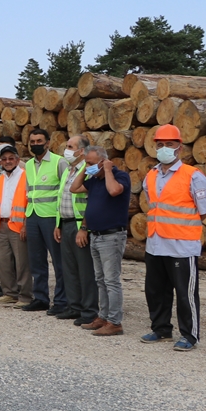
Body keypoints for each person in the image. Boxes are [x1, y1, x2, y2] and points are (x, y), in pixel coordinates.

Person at [139, 125, 206, 351]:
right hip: (156, 243)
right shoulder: (150, 175)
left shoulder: (193, 176)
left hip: (182, 246)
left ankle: (189, 336)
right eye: (160, 145)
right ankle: (160, 329)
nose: (164, 149)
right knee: (155, 291)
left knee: (185, 293)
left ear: (179, 148)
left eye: (169, 145)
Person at [70, 144, 131, 337]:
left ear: (103, 161)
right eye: (86, 163)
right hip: (96, 235)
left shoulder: (120, 176)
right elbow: (74, 188)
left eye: (91, 163)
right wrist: (84, 169)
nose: (88, 166)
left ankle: (115, 322)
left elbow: (114, 191)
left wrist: (107, 170)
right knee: (100, 279)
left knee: (111, 280)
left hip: (112, 236)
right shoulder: (93, 180)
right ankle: (103, 317)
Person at [21, 128, 69, 314]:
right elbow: (29, 193)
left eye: (39, 141)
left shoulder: (59, 162)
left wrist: (60, 222)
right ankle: (40, 298)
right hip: (33, 216)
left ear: (48, 143)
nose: (35, 145)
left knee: (58, 261)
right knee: (37, 261)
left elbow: (65, 192)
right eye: (32, 142)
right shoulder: (29, 165)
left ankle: (61, 301)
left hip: (51, 217)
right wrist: (26, 219)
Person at [54, 135, 97, 324]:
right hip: (66, 223)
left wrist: (84, 228)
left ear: (82, 151)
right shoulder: (68, 170)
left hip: (80, 225)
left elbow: (90, 201)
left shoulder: (88, 171)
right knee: (69, 269)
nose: (67, 150)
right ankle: (74, 307)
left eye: (71, 146)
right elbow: (61, 198)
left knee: (85, 271)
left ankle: (88, 312)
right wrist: (58, 224)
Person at [0, 146, 33, 308]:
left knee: (22, 263)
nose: (8, 162)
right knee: (3, 262)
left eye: (11, 158)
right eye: (4, 159)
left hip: (18, 226)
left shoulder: (25, 176)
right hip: (2, 225)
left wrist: (25, 225)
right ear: (0, 161)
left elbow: (29, 202)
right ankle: (9, 292)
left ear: (17, 160)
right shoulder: (2, 178)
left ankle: (25, 296)